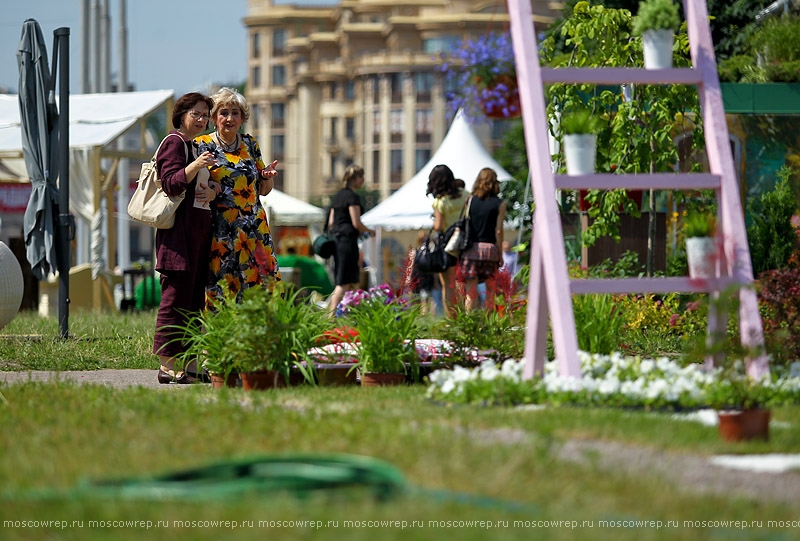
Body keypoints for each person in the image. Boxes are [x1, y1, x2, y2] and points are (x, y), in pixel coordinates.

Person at [153, 92, 218, 384]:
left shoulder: (194, 146)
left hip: (198, 239)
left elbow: (200, 191)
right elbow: (171, 183)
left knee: (193, 302)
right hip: (178, 239)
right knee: (174, 300)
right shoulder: (174, 143)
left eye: (205, 114)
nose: (202, 119)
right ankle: (167, 365)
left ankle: (190, 364)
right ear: (182, 115)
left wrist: (213, 188)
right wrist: (196, 165)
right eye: (197, 113)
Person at [195, 87, 280, 305]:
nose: (229, 118)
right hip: (221, 227)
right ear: (214, 117)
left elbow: (263, 190)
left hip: (254, 226)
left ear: (242, 118)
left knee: (261, 281)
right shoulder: (202, 144)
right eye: (224, 113)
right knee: (224, 282)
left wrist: (267, 176)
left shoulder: (250, 143)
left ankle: (263, 333)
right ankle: (223, 335)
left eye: (235, 113)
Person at [327, 164, 375, 316]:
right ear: (354, 179)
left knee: (348, 281)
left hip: (337, 242)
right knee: (344, 282)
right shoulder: (352, 197)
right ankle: (331, 317)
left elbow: (330, 223)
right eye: (361, 177)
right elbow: (356, 223)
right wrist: (370, 231)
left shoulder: (338, 196)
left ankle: (349, 313)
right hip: (348, 242)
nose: (363, 180)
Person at [457, 167, 507, 312]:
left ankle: (471, 326)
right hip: (490, 249)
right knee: (490, 291)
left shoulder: (470, 201)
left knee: (471, 293)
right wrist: (500, 254)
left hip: (471, 249)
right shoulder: (500, 204)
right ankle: (488, 325)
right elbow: (498, 230)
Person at [427, 164, 468, 316]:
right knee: (463, 283)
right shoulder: (465, 194)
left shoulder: (440, 202)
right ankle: (466, 316)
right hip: (465, 242)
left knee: (448, 285)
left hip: (448, 246)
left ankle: (452, 319)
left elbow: (438, 226)